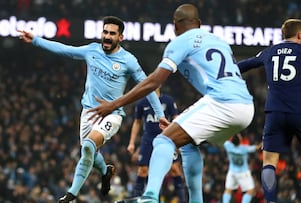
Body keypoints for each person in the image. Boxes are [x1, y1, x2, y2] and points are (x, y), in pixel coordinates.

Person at [88, 4, 255, 203]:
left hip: (222, 102)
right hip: (246, 107)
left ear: (175, 26)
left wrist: (114, 104)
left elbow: (153, 82)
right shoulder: (220, 42)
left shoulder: (180, 42)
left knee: (162, 140)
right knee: (187, 144)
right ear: (199, 24)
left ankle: (149, 197)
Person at [18, 16, 166, 203]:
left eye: (112, 33)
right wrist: (36, 40)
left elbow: (148, 87)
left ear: (120, 37)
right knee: (90, 153)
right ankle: (105, 172)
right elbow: (66, 50)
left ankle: (71, 195)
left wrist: (159, 115)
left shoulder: (128, 60)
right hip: (88, 113)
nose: (107, 36)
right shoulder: (92, 50)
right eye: (105, 32)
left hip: (111, 114)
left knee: (88, 146)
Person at [237, 18, 301, 203]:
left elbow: (243, 66)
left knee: (269, 162)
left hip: (274, 113)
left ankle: (270, 201)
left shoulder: (270, 51)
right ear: (300, 35)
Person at [127, 87, 187, 202]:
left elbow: (176, 119)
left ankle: (183, 200)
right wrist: (131, 143)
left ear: (159, 85)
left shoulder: (168, 100)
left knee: (175, 169)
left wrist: (179, 139)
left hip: (166, 139)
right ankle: (137, 198)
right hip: (148, 140)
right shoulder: (142, 103)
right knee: (143, 170)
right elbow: (137, 122)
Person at [222, 133, 262, 203]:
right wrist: (264, 142)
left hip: (232, 172)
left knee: (228, 190)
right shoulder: (244, 149)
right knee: (250, 191)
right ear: (240, 140)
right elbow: (257, 147)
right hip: (243, 173)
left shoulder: (227, 145)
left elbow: (224, 140)